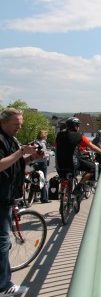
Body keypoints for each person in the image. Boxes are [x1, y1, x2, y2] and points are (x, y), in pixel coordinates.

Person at [0, 108, 45, 296]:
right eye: (16, 124)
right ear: (4, 122)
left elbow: (13, 163)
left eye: (20, 123)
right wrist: (20, 152)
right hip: (1, 198)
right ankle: (4, 287)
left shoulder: (10, 138)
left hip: (7, 196)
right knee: (3, 242)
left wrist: (31, 157)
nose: (19, 127)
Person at [55, 117, 101, 204]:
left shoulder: (59, 135)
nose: (79, 128)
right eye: (78, 126)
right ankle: (79, 186)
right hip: (73, 163)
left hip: (59, 165)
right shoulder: (79, 136)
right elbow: (93, 147)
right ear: (75, 126)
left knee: (66, 177)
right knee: (93, 167)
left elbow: (56, 146)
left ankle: (66, 195)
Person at [32, 130, 51, 203]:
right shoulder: (42, 143)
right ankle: (44, 198)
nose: (46, 137)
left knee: (35, 179)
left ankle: (32, 196)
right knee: (43, 180)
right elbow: (42, 154)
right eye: (46, 135)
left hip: (35, 162)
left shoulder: (35, 141)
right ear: (43, 136)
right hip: (42, 163)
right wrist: (48, 154)